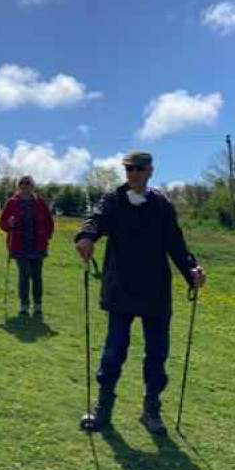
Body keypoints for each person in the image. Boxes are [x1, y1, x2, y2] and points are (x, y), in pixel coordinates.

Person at [74, 150, 206, 435]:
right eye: (128, 169)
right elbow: (95, 219)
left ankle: (151, 410)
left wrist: (192, 270)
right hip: (121, 288)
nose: (133, 173)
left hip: (156, 291)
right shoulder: (113, 200)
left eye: (138, 168)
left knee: (157, 355)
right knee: (113, 351)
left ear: (150, 171)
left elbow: (176, 244)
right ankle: (103, 410)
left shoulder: (162, 205)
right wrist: (86, 236)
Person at [0, 175, 55, 317]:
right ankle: (24, 305)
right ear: (19, 186)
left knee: (37, 276)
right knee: (24, 275)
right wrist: (9, 224)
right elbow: (2, 223)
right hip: (19, 245)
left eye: (28, 183)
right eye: (22, 183)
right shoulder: (11, 202)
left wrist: (46, 237)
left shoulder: (40, 202)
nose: (24, 185)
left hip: (38, 245)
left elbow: (50, 222)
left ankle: (38, 305)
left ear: (32, 186)